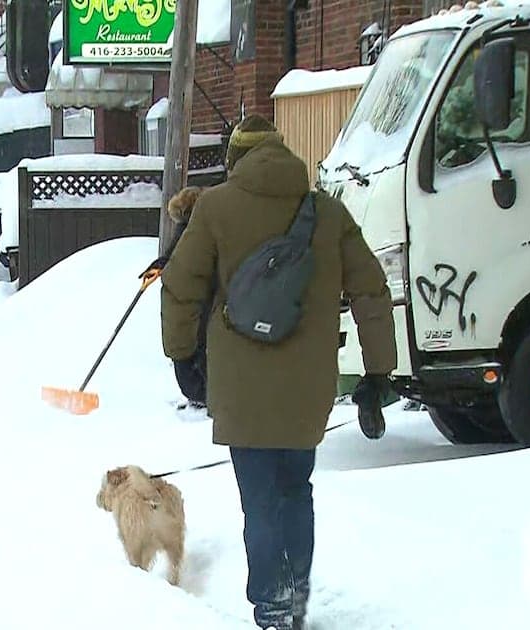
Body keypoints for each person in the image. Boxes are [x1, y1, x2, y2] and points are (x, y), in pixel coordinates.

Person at [159, 114, 397, 630]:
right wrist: (378, 371)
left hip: (241, 389)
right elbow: (371, 291)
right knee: (297, 489)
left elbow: (180, 285)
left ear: (235, 158)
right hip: (306, 388)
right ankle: (296, 593)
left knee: (259, 501)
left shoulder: (216, 208)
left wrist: (182, 356)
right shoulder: (327, 214)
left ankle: (272, 602)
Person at [143, 186, 210, 409]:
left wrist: (164, 264)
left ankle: (203, 395)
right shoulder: (194, 229)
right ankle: (202, 394)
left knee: (193, 348)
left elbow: (178, 256)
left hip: (193, 303)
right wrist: (162, 264)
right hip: (192, 305)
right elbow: (175, 254)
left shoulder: (196, 230)